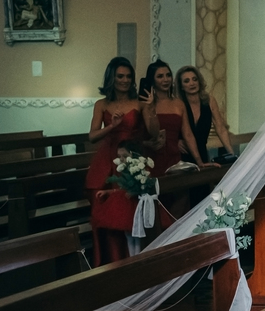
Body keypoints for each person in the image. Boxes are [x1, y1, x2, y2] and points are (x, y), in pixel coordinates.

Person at [86, 57, 159, 265]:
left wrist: (151, 108)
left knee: (130, 213)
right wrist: (112, 125)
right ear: (111, 77)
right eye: (120, 76)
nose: (125, 80)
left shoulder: (139, 102)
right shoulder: (102, 104)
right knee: (107, 217)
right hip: (107, 159)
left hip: (132, 160)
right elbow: (92, 136)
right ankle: (109, 265)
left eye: (128, 76)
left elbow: (154, 133)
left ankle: (136, 263)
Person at [141, 61, 213, 176]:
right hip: (151, 159)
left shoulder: (178, 103)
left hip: (175, 158)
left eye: (168, 75)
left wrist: (199, 162)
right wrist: (150, 108)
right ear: (152, 80)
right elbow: (151, 132)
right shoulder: (145, 104)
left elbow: (188, 134)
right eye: (160, 76)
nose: (165, 80)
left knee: (179, 191)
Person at [176, 65, 236, 163]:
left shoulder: (209, 101)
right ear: (181, 86)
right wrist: (175, 142)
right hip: (181, 156)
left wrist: (232, 155)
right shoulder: (178, 104)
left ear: (199, 81)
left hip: (202, 153)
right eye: (186, 81)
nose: (192, 83)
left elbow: (221, 129)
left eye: (194, 79)